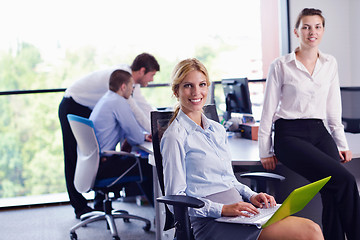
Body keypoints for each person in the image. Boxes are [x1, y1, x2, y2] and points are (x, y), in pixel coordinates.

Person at [161, 58, 324, 240]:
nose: (196, 92)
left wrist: (252, 195)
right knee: (310, 232)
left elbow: (229, 180)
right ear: (176, 91)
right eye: (188, 86)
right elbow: (175, 200)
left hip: (240, 212)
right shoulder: (175, 136)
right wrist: (222, 209)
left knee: (311, 228)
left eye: (202, 84)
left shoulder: (217, 129)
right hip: (211, 221)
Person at [258, 8, 360, 240]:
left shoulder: (330, 63)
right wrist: (265, 149)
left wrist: (341, 142)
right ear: (297, 31)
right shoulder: (281, 65)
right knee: (344, 180)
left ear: (323, 30)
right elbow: (268, 111)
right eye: (306, 27)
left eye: (317, 26)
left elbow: (334, 108)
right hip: (289, 134)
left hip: (319, 131)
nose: (312, 31)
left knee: (332, 191)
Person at [58, 53, 159, 219]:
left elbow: (142, 109)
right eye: (152, 75)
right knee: (73, 156)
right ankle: (79, 206)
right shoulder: (122, 82)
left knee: (89, 151)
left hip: (85, 108)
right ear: (141, 71)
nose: (153, 80)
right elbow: (136, 112)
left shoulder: (121, 87)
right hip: (73, 104)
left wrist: (153, 128)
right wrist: (154, 132)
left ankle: (100, 203)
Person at [89, 69, 153, 211]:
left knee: (140, 163)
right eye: (131, 86)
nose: (132, 91)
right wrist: (141, 136)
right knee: (149, 167)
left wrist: (141, 136)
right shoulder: (119, 102)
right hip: (104, 166)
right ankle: (164, 218)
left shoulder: (106, 99)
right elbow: (135, 137)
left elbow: (132, 133)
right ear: (123, 86)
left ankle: (160, 215)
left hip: (93, 165)